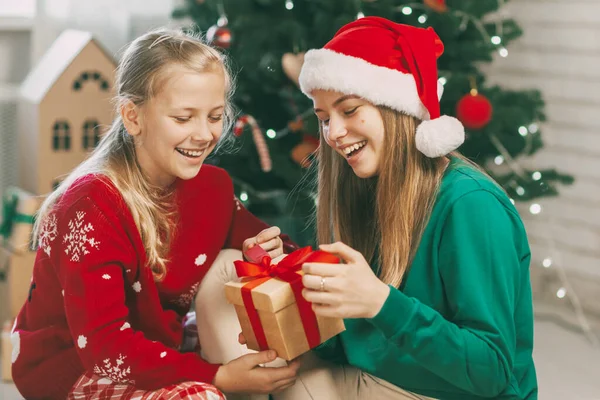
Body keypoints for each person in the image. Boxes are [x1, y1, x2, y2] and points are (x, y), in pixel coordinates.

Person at [10, 29, 301, 400]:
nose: (203, 134)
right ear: (133, 117)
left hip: (156, 342)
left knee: (234, 261)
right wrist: (220, 377)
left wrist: (272, 251)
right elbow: (107, 348)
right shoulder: (91, 207)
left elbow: (263, 243)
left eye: (214, 116)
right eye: (183, 118)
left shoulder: (212, 187)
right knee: (202, 396)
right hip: (75, 365)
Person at [282, 16, 537, 400]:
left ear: (395, 107)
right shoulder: (366, 186)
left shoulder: (470, 205)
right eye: (323, 119)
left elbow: (492, 372)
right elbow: (347, 346)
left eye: (349, 110)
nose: (333, 134)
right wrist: (294, 283)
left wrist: (383, 305)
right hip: (379, 380)